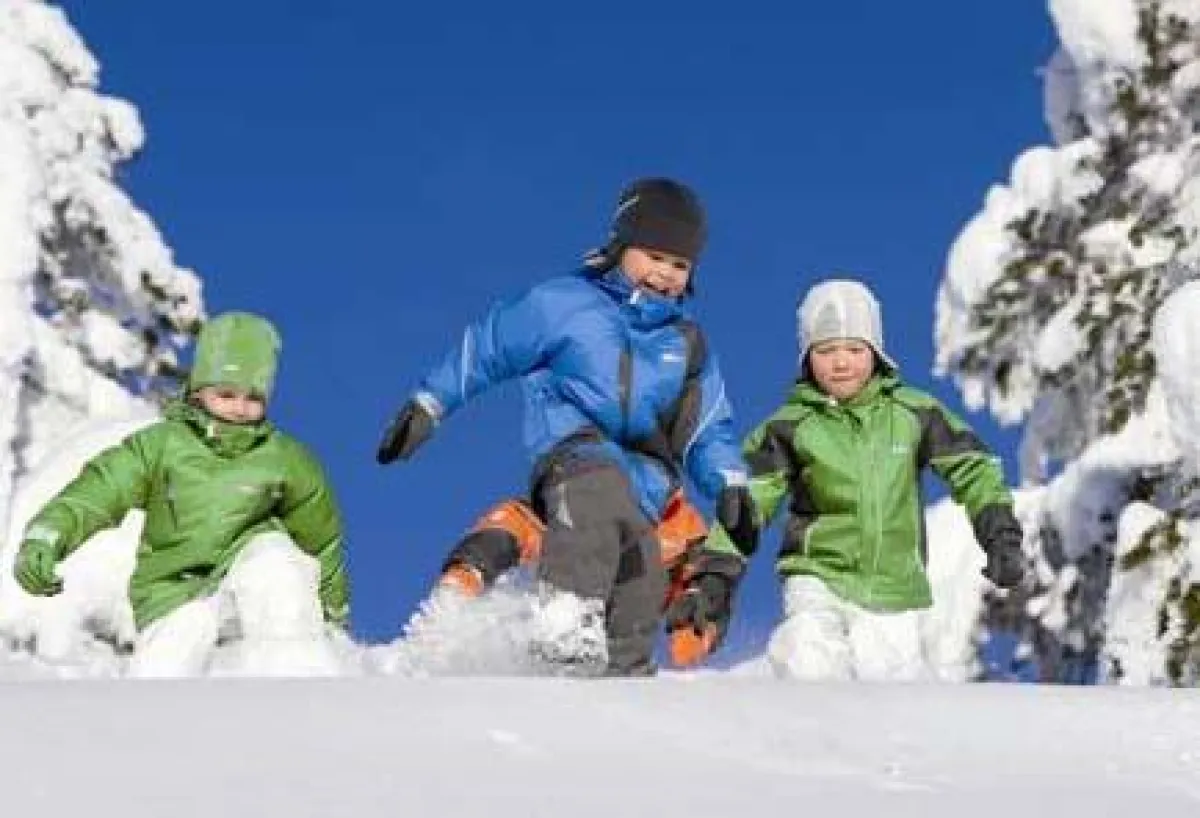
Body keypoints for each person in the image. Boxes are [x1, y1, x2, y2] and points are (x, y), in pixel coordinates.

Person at [377, 178, 755, 676]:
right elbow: (488, 347)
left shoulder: (685, 344)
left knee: (641, 582)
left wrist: (729, 483)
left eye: (680, 265)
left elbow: (706, 426)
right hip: (574, 454)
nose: (665, 274)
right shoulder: (563, 304)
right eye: (654, 256)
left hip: (644, 489)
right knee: (599, 490)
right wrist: (430, 404)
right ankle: (564, 617)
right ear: (622, 245)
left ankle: (616, 690)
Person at [688, 278, 1026, 681]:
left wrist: (1000, 534)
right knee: (809, 655)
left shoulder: (913, 414)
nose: (841, 362)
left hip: (894, 589)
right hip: (818, 575)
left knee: (887, 687)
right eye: (826, 350)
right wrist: (717, 576)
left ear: (876, 351)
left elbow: (974, 467)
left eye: (854, 349)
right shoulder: (790, 427)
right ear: (807, 356)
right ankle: (799, 725)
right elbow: (749, 503)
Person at [12, 312, 348, 678]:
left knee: (274, 558)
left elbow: (319, 541)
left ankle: (296, 687)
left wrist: (332, 610)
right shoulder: (161, 446)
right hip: (172, 594)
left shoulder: (285, 460)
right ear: (199, 389)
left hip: (247, 593)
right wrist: (46, 537)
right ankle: (149, 722)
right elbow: (97, 491)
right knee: (184, 635)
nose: (239, 407)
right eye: (226, 394)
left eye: (253, 398)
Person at [431, 489, 716, 668]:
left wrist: (691, 641)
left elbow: (704, 586)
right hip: (553, 643)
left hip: (622, 662)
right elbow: (510, 524)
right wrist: (463, 578)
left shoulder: (684, 528)